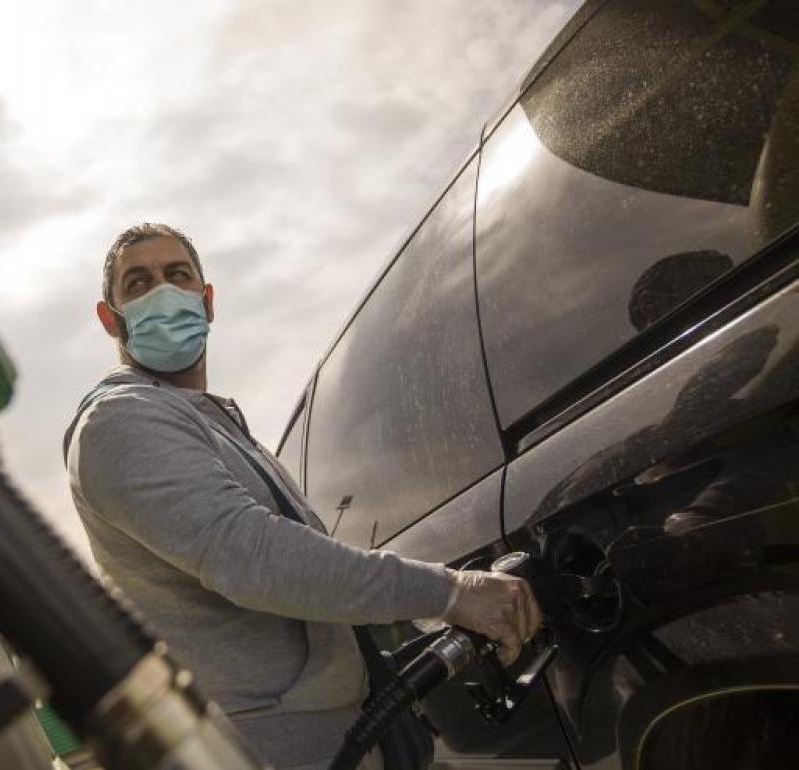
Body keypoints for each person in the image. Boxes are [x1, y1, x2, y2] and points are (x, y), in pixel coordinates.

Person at [64, 223, 541, 770]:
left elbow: (313, 569)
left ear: (207, 299)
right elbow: (252, 554)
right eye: (139, 283)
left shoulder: (215, 425)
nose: (163, 292)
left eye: (177, 275)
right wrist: (450, 591)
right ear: (111, 317)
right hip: (271, 746)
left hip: (352, 730)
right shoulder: (122, 419)